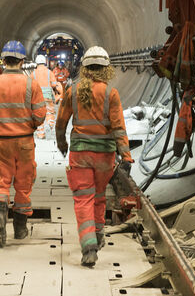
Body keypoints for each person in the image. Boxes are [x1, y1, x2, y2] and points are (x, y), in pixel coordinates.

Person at [55, 46, 134, 267]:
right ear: (105, 69)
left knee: (83, 199)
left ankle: (88, 246)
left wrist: (62, 143)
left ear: (85, 68)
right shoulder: (111, 94)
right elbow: (119, 128)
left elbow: (61, 123)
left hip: (80, 154)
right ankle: (98, 235)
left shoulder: (72, 91)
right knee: (99, 196)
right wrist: (126, 156)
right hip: (104, 157)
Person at [0, 41, 47, 248]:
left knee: (1, 181)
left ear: (3, 60)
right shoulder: (31, 84)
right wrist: (31, 125)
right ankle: (20, 228)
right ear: (22, 61)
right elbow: (40, 114)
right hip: (25, 142)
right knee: (24, 185)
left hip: (1, 143)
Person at [32, 54, 62, 139]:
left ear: (36, 63)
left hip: (37, 98)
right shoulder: (49, 72)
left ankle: (41, 134)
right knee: (49, 112)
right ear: (45, 62)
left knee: (39, 115)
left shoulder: (33, 73)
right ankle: (50, 124)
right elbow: (53, 84)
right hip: (48, 96)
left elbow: (30, 86)